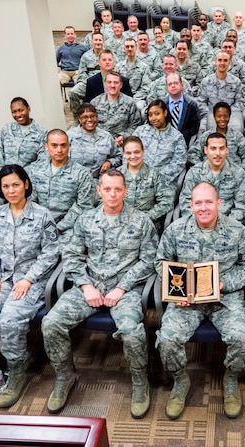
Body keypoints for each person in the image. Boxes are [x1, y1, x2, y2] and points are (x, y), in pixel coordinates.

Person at [41, 169, 157, 416]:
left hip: (124, 290)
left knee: (132, 332)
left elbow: (149, 260)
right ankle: (65, 376)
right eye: (107, 189)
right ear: (99, 190)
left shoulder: (141, 221)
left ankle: (140, 380)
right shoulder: (85, 220)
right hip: (89, 286)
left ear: (126, 190)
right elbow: (71, 256)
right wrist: (86, 286)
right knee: (51, 323)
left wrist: (122, 287)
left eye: (117, 189)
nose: (112, 194)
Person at [156, 182, 245, 420]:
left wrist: (224, 283)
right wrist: (175, 290)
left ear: (219, 204)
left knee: (243, 340)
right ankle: (180, 379)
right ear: (190, 205)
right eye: (198, 203)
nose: (203, 208)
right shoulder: (175, 230)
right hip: (187, 301)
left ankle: (231, 378)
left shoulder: (237, 231)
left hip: (225, 299)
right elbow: (161, 262)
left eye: (209, 202)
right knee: (168, 340)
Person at [0, 164, 59, 408]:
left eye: (16, 185)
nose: (11, 190)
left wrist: (29, 278)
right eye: (5, 186)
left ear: (26, 184)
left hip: (31, 280)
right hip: (2, 278)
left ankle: (16, 370)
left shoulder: (42, 215)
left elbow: (51, 252)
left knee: (9, 320)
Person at [26, 129, 97, 235]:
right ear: (46, 147)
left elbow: (83, 206)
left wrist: (58, 228)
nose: (59, 150)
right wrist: (40, 225)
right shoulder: (35, 170)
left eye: (63, 145)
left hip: (70, 229)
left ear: (69, 146)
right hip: (37, 225)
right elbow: (30, 201)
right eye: (54, 145)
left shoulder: (82, 174)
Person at [178, 133, 245, 224]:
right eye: (213, 148)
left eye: (221, 148)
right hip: (199, 225)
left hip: (228, 227)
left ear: (227, 150)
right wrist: (201, 223)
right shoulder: (194, 173)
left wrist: (225, 225)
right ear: (206, 150)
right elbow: (186, 203)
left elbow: (242, 205)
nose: (218, 153)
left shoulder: (238, 173)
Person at [118, 136, 174, 229]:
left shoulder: (155, 174)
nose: (133, 156)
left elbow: (167, 201)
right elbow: (104, 200)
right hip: (120, 224)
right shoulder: (117, 175)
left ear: (143, 152)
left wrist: (146, 217)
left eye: (137, 152)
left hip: (146, 225)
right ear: (124, 154)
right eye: (128, 153)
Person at [131, 100, 187, 183]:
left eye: (157, 114)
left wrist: (157, 178)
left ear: (165, 113)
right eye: (150, 115)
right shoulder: (140, 132)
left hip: (164, 182)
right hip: (137, 178)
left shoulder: (177, 137)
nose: (153, 118)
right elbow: (128, 152)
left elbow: (179, 162)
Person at [189, 102, 245, 170]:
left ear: (229, 117)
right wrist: (201, 169)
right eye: (219, 116)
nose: (222, 119)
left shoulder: (237, 136)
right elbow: (193, 153)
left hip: (232, 174)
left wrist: (242, 170)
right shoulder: (206, 136)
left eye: (225, 116)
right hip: (209, 174)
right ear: (214, 117)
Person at [0, 97, 49, 173]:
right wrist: (1, 173)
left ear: (28, 109)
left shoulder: (42, 132)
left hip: (29, 178)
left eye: (21, 110)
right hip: (4, 177)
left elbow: (43, 160)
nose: (18, 115)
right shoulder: (7, 129)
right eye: (14, 112)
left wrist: (19, 175)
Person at [67, 103, 120, 179]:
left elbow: (118, 157)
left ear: (97, 117)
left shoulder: (106, 136)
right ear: (79, 119)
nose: (89, 120)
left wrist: (110, 162)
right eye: (85, 117)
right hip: (75, 180)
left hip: (99, 180)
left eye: (92, 116)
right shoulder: (69, 136)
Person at [197, 51, 245, 133]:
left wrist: (225, 114)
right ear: (215, 62)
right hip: (210, 116)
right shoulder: (206, 82)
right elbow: (200, 103)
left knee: (236, 135)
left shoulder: (236, 82)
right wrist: (212, 115)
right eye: (220, 60)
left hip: (230, 118)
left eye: (225, 60)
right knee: (202, 135)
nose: (222, 63)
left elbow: (240, 102)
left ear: (229, 62)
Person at [89, 71, 141, 144]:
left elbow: (135, 125)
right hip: (98, 142)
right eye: (109, 82)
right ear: (105, 84)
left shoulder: (130, 102)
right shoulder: (95, 102)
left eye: (116, 83)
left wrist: (123, 136)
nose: (112, 85)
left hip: (121, 143)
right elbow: (89, 123)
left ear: (121, 85)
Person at [69, 32, 104, 113]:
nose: (98, 42)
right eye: (96, 40)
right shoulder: (86, 56)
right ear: (92, 42)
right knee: (73, 92)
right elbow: (82, 72)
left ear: (103, 41)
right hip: (87, 83)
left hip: (105, 83)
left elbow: (115, 70)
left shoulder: (109, 54)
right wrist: (89, 83)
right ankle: (78, 117)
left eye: (100, 40)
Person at [164, 73, 202, 147]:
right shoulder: (162, 105)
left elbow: (195, 127)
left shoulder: (191, 104)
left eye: (176, 83)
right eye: (170, 84)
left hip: (185, 142)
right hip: (165, 143)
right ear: (166, 88)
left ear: (182, 85)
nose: (173, 86)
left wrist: (180, 136)